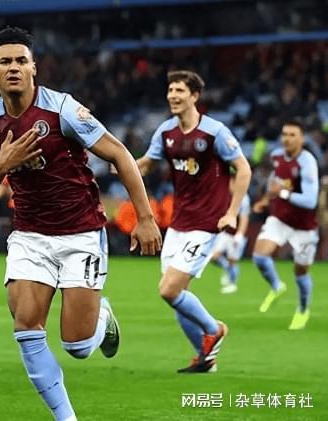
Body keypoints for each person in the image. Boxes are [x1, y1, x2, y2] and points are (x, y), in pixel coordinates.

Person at [0, 27, 162, 421]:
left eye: (21, 61)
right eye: (5, 62)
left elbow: (119, 154)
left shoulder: (62, 109)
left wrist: (145, 217)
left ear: (34, 67)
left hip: (80, 233)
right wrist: (2, 166)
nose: (14, 67)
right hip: (29, 236)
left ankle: (102, 317)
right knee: (26, 328)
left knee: (78, 346)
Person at [136, 70, 251, 373]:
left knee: (169, 290)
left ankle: (215, 329)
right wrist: (121, 163)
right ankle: (205, 359)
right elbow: (146, 163)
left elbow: (243, 169)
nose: (172, 96)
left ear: (195, 96)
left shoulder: (215, 132)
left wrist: (232, 212)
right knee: (176, 297)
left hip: (206, 223)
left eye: (179, 91)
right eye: (170, 90)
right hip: (178, 224)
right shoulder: (166, 132)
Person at [251, 121, 319, 330]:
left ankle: (302, 309)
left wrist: (281, 193)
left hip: (304, 226)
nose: (287, 139)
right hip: (280, 219)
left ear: (302, 139)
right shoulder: (276, 156)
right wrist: (266, 199)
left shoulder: (307, 162)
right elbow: (275, 179)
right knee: (259, 256)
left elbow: (310, 201)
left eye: (292, 135)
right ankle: (276, 286)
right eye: (284, 134)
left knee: (300, 272)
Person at [210, 175, 251, 294]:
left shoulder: (244, 198)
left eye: (232, 183)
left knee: (232, 261)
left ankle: (232, 284)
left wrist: (239, 235)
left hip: (236, 234)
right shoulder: (225, 195)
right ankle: (227, 269)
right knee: (213, 257)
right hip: (225, 233)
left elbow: (244, 219)